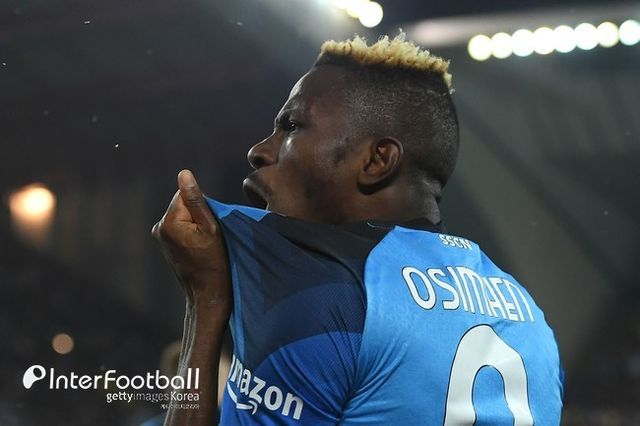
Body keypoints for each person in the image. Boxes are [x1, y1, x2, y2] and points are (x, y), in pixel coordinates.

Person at [152, 34, 563, 425]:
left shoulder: (330, 298)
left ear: (377, 161)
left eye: (291, 126)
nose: (259, 151)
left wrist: (205, 301)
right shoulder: (528, 316)